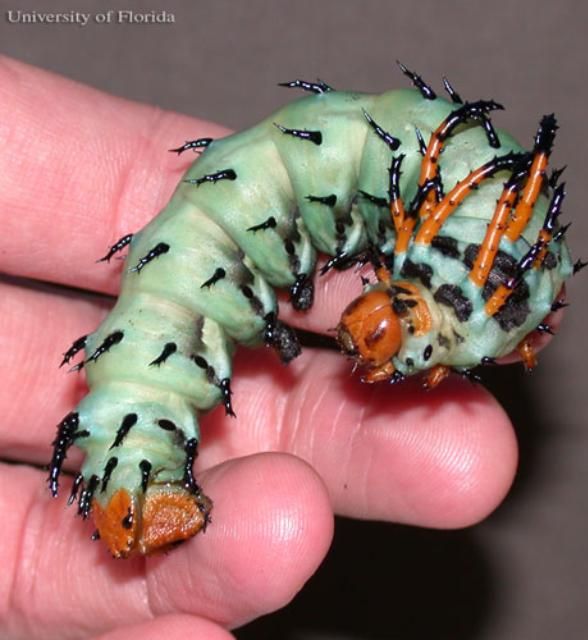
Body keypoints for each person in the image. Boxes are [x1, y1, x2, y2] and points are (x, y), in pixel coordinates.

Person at [0, 55, 522, 639]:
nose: (378, 341)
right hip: (212, 255)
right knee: (185, 277)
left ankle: (133, 465)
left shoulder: (412, 193)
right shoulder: (395, 176)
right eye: (428, 322)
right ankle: (132, 477)